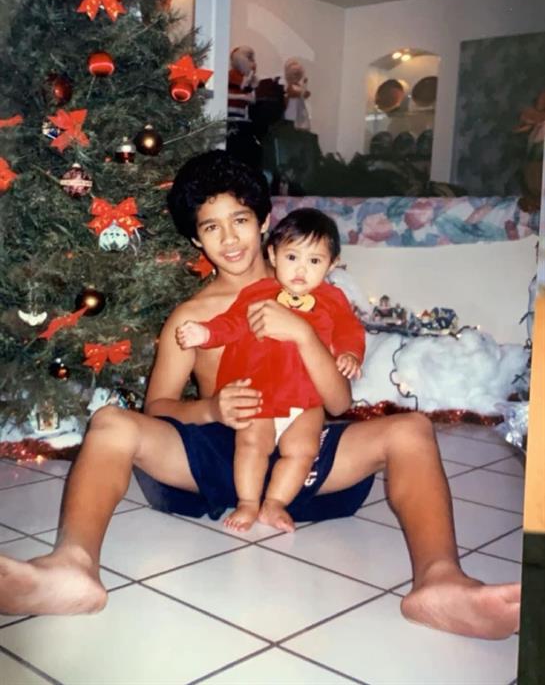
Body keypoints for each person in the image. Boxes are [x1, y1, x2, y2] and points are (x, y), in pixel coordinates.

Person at [0, 150, 520, 640]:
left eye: (240, 220)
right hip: (221, 453)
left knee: (411, 429)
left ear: (265, 222)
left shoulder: (313, 291)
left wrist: (302, 335)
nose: (229, 238)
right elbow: (156, 408)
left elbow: (340, 404)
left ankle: (441, 581)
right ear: (196, 241)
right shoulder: (192, 316)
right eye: (211, 226)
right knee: (112, 423)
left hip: (303, 445)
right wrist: (210, 407)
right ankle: (71, 567)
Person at [176, 208, 364, 533]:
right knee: (251, 445)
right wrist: (206, 333)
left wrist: (350, 354)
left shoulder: (334, 300)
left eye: (315, 261)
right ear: (273, 255)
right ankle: (248, 503)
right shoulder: (257, 293)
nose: (301, 270)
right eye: (292, 257)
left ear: (332, 265)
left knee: (303, 451)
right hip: (259, 391)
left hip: (306, 399)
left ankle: (275, 503)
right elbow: (232, 323)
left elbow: (350, 331)